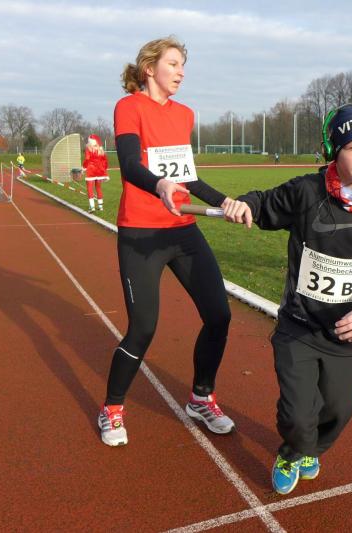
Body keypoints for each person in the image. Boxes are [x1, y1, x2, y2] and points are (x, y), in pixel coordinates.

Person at [223, 103, 352, 494]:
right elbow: (264, 203)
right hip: (299, 327)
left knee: (339, 410)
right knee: (297, 414)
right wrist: (244, 203)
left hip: (346, 335)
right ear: (333, 150)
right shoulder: (307, 191)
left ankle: (310, 448)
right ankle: (292, 450)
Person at [98, 36, 248, 446]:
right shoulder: (128, 107)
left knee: (218, 315)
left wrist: (224, 202)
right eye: (174, 64)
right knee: (143, 328)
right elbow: (130, 165)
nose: (181, 72)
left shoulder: (184, 114)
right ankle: (112, 408)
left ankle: (201, 398)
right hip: (141, 234)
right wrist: (159, 184)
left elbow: (187, 176)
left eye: (183, 65)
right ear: (150, 68)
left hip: (182, 231)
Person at [82, 134, 109, 213]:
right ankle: (100, 207)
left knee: (90, 189)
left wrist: (83, 167)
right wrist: (104, 170)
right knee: (98, 189)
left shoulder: (88, 148)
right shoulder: (101, 149)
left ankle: (92, 207)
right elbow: (105, 161)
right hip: (99, 172)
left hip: (91, 171)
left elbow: (87, 159)